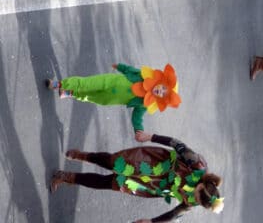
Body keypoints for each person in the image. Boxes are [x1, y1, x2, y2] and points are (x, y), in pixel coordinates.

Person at [50, 131, 224, 219]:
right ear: (201, 185)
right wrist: (150, 136)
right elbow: (176, 143)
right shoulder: (197, 164)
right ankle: (84, 156)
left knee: (109, 182)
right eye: (197, 196)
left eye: (198, 202)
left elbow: (174, 214)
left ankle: (67, 177)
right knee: (113, 162)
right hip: (153, 161)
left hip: (152, 186)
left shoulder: (193, 201)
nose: (193, 199)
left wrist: (152, 222)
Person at [46, 62, 180, 133]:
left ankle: (70, 93)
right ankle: (59, 84)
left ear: (161, 99)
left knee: (88, 95)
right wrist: (120, 67)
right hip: (108, 81)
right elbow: (130, 70)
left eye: (163, 94)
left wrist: (138, 129)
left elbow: (137, 116)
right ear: (161, 81)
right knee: (86, 84)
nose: (160, 91)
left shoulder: (145, 103)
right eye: (163, 88)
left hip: (108, 99)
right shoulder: (144, 76)